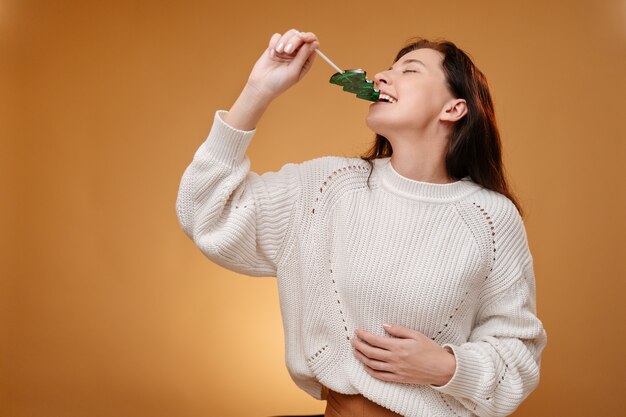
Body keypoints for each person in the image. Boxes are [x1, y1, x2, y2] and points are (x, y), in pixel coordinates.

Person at [176, 29, 547, 417]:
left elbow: (517, 354)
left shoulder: (490, 217)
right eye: (388, 68)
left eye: (410, 70)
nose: (381, 77)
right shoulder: (328, 188)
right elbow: (205, 211)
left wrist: (446, 367)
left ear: (453, 108)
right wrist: (257, 91)